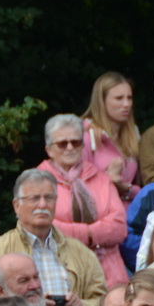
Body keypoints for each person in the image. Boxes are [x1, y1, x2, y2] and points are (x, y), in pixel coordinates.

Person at [0, 168, 107, 306]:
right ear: (16, 206)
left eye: (49, 198)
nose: (42, 204)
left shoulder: (80, 252)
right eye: (34, 198)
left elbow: (104, 304)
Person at [38, 112, 128, 291]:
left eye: (76, 142)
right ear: (49, 149)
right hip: (62, 276)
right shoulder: (38, 182)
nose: (70, 147)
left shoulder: (101, 179)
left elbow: (119, 227)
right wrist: (94, 234)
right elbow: (44, 228)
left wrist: (80, 233)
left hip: (109, 277)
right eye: (63, 143)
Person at [81, 72, 140, 203]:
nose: (126, 104)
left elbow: (141, 189)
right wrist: (108, 179)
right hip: (101, 216)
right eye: (119, 98)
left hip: (130, 216)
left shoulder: (133, 136)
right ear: (102, 102)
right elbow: (79, 189)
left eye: (129, 98)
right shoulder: (86, 137)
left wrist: (126, 189)